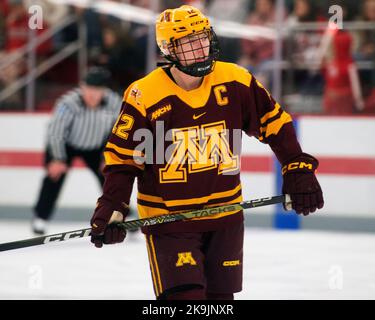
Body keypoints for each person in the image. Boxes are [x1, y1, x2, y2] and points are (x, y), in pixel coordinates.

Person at [89, 5, 324, 300]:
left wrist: (297, 168)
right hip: (169, 222)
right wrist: (113, 204)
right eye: (188, 42)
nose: (199, 48)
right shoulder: (145, 94)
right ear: (168, 49)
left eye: (202, 38)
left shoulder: (236, 79)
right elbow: (123, 158)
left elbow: (275, 123)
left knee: (220, 303)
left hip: (226, 217)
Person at [32, 67, 122, 235]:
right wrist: (57, 159)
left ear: (105, 90)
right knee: (54, 177)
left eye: (97, 90)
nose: (92, 94)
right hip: (66, 145)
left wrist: (110, 156)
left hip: (97, 147)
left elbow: (117, 131)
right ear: (82, 86)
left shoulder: (114, 102)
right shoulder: (67, 103)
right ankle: (40, 217)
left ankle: (120, 215)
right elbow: (56, 132)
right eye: (88, 88)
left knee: (111, 178)